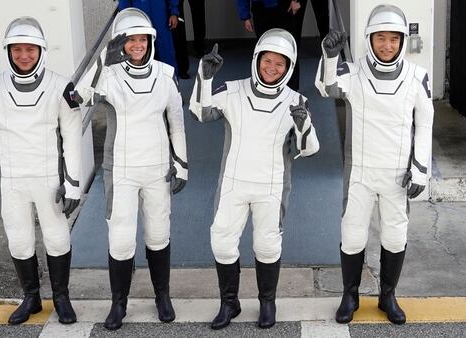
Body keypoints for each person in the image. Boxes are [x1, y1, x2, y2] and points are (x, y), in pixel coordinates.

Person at [190, 28, 320, 330]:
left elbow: (309, 149)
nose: (272, 68)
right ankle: (229, 303)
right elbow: (200, 112)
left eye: (280, 64)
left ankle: (267, 303)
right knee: (222, 242)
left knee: (267, 246)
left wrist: (303, 125)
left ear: (289, 67)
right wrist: (204, 78)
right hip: (233, 183)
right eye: (267, 61)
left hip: (272, 186)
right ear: (256, 59)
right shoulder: (232, 89)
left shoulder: (297, 100)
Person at [0, 17, 81, 325]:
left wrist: (73, 183)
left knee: (57, 239)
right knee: (20, 241)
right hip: (13, 180)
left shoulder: (60, 85)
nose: (24, 56)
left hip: (49, 177)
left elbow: (73, 137)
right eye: (17, 49)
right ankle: (31, 297)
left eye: (30, 49)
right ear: (8, 51)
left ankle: (61, 298)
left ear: (41, 51)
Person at [315, 4, 434, 325]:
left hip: (398, 175)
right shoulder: (353, 73)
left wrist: (421, 168)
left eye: (393, 39)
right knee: (353, 236)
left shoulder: (417, 77)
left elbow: (424, 125)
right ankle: (349, 295)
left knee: (395, 237)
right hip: (360, 174)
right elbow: (326, 88)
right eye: (380, 38)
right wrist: (329, 57)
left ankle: (387, 295)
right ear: (369, 39)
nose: (386, 45)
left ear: (401, 41)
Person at [75, 8, 188, 330]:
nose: (137, 45)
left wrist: (182, 165)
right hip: (120, 169)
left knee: (158, 234)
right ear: (119, 43)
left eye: (142, 39)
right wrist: (101, 64)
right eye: (130, 40)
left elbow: (176, 125)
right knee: (121, 239)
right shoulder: (108, 76)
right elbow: (78, 99)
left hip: (157, 168)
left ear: (151, 41)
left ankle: (162, 296)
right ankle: (118, 303)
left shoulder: (166, 74)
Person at [236, 0, 302, 90]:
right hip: (260, 9)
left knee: (288, 49)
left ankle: (291, 90)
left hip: (284, 6)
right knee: (264, 51)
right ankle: (266, 89)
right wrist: (245, 16)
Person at [117, 0, 180, 75]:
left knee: (166, 52)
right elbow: (124, 2)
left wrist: (174, 13)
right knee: (142, 54)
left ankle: (172, 80)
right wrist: (125, 17)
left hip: (160, 17)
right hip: (139, 18)